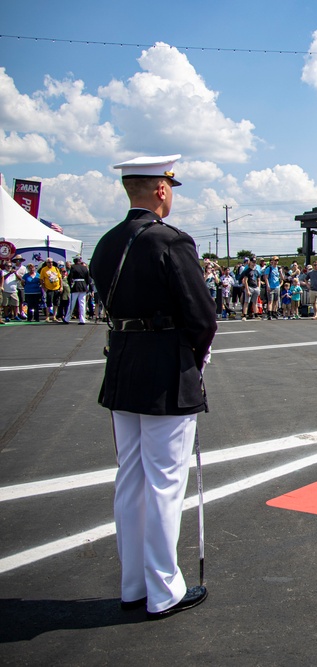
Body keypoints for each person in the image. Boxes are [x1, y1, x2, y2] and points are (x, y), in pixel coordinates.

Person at [90, 154, 214, 619]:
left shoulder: (105, 243)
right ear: (162, 189)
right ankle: (164, 590)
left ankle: (133, 585)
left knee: (131, 480)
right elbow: (202, 317)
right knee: (165, 481)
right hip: (166, 369)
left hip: (123, 365)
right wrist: (196, 361)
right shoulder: (171, 241)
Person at [39, 257, 62, 322]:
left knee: (56, 303)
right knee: (49, 303)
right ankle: (47, 316)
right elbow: (41, 279)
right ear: (46, 263)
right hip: (49, 288)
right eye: (49, 262)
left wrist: (61, 287)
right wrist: (44, 287)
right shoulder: (44, 269)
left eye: (51, 262)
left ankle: (54, 316)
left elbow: (60, 278)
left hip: (56, 288)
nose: (50, 263)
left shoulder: (56, 269)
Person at [262, 256, 283, 321]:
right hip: (271, 286)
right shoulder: (269, 268)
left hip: (277, 286)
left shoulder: (278, 269)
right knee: (270, 301)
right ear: (272, 261)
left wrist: (281, 272)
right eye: (275, 260)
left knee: (276, 300)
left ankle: (274, 312)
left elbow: (282, 278)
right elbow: (266, 277)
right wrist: (268, 285)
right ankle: (269, 313)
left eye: (277, 260)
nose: (276, 262)